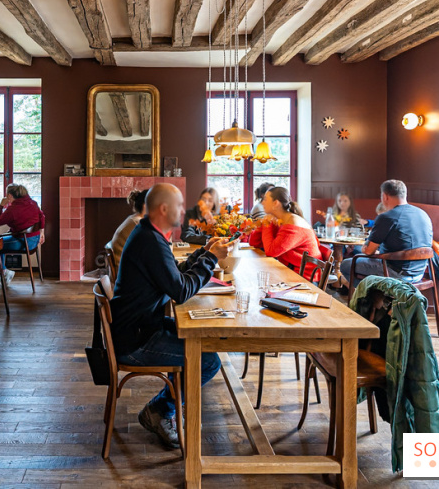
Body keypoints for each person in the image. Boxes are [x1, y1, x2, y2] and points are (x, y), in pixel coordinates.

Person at [110, 183, 231, 448]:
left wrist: (203, 251)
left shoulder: (148, 234)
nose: (182, 211)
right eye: (178, 205)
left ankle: (165, 408)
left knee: (206, 345)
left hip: (139, 326)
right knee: (208, 361)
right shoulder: (150, 241)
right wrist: (210, 259)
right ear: (164, 209)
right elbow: (181, 290)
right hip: (135, 341)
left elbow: (174, 273)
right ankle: (160, 411)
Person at [340, 180, 433, 289]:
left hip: (397, 273)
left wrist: (365, 247)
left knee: (346, 265)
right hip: (419, 273)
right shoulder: (423, 214)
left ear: (385, 196)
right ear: (405, 194)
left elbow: (369, 250)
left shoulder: (387, 217)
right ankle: (377, 299)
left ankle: (371, 299)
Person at [247, 187, 323, 276]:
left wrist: (266, 224)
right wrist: (265, 222)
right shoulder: (280, 220)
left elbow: (271, 251)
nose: (262, 202)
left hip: (304, 277)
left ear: (275, 203)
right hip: (289, 270)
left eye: (266, 199)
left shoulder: (293, 223)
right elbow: (253, 242)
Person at [0, 183, 46, 288]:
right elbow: (42, 216)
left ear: (10, 196)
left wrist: (1, 205)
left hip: (23, 242)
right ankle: (3, 271)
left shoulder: (13, 209)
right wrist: (42, 232)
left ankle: (3, 272)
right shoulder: (33, 203)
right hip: (34, 240)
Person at [110, 189, 148, 266]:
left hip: (127, 268)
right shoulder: (138, 223)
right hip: (128, 273)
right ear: (145, 205)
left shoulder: (134, 219)